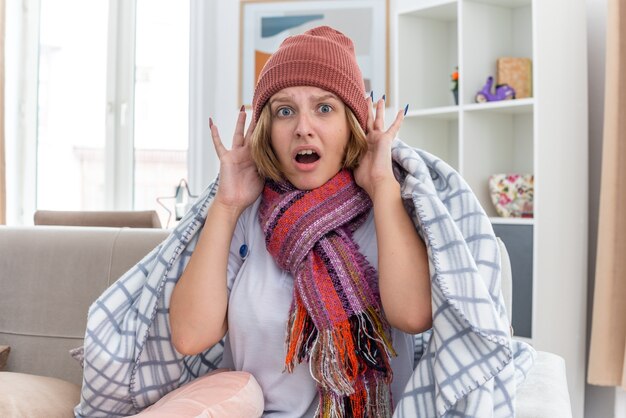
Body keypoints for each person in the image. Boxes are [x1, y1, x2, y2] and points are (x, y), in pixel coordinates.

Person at [168, 26, 432, 417]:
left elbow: (413, 316)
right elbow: (191, 336)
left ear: (351, 125)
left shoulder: (388, 211)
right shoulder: (246, 218)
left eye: (324, 108)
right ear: (267, 131)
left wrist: (382, 186)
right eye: (285, 111)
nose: (302, 127)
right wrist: (225, 207)